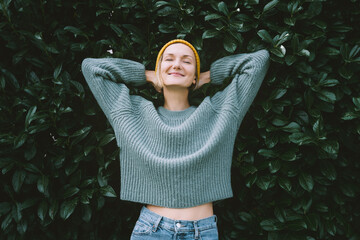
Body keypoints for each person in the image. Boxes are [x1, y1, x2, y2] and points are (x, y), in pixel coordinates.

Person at [81, 39, 270, 239]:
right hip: (151, 231)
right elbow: (91, 68)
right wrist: (146, 75)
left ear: (195, 77)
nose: (177, 64)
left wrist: (210, 75)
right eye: (169, 59)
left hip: (201, 232)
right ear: (158, 69)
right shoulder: (131, 113)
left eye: (187, 61)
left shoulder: (220, 112)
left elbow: (258, 61)